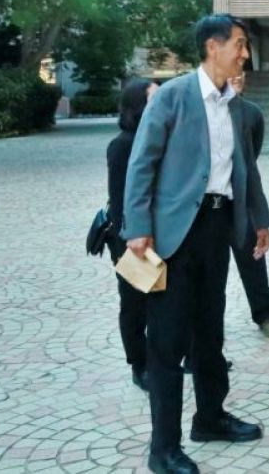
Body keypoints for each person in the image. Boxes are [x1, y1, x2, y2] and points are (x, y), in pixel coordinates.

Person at [121, 14, 269, 474]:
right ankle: (163, 449)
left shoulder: (236, 107)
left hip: (217, 228)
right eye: (239, 44)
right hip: (172, 236)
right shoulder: (173, 96)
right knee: (168, 342)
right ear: (212, 46)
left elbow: (246, 168)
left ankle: (210, 417)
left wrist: (259, 220)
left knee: (210, 331)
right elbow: (142, 162)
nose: (245, 54)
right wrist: (137, 226)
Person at [106, 77, 158, 392]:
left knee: (167, 300)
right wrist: (130, 240)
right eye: (153, 99)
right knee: (136, 303)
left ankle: (180, 355)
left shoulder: (160, 139)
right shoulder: (123, 145)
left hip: (163, 233)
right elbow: (119, 199)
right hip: (132, 237)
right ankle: (139, 364)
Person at [228, 73, 269, 337]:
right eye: (231, 71)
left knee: (253, 259)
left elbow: (251, 156)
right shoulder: (201, 110)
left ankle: (265, 314)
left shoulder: (252, 113)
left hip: (241, 200)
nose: (237, 76)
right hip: (208, 204)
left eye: (241, 72)